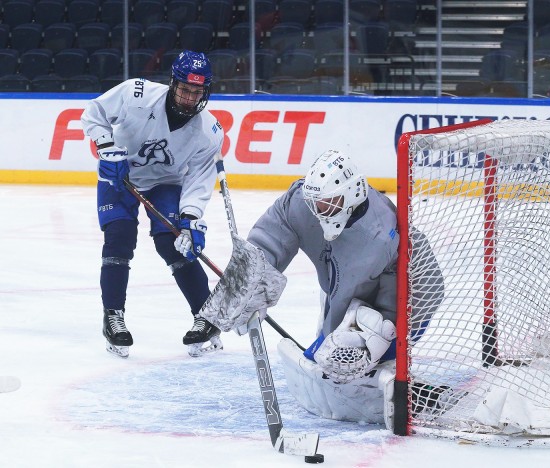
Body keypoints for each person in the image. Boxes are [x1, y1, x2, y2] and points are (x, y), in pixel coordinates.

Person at [208, 149, 444, 428]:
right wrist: (239, 291)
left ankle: (394, 378)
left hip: (415, 293)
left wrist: (324, 356)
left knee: (349, 352)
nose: (319, 210)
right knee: (337, 350)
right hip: (370, 281)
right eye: (316, 202)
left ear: (352, 195)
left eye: (328, 203)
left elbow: (346, 299)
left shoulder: (375, 239)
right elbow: (272, 234)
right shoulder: (308, 202)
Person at [81, 50, 225, 358]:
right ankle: (113, 317)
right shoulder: (137, 94)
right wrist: (107, 149)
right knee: (118, 238)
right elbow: (94, 113)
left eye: (197, 92)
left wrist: (190, 219)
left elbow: (198, 180)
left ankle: (208, 317)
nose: (189, 98)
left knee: (174, 244)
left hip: (166, 183)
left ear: (206, 92)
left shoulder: (210, 132)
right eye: (185, 89)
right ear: (173, 84)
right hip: (119, 174)